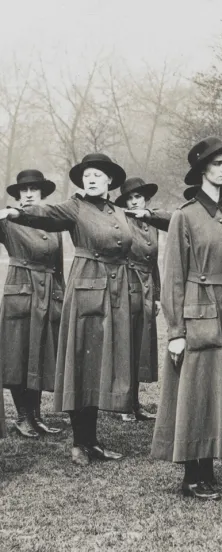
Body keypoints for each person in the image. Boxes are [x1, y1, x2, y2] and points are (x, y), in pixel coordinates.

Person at [0, 154, 133, 465]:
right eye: (87, 174)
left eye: (97, 175)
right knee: (83, 368)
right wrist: (14, 213)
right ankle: (80, 444)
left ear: (110, 180)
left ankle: (93, 442)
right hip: (88, 293)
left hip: (115, 295)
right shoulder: (74, 207)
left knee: (101, 367)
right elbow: (45, 214)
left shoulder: (118, 211)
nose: (91, 179)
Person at [151, 137, 222, 501]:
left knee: (220, 390)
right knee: (196, 393)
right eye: (217, 163)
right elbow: (174, 277)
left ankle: (208, 473)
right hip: (199, 313)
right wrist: (176, 332)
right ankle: (192, 476)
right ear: (201, 171)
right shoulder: (185, 216)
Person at [0, 170, 64, 438]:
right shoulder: (8, 221)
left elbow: (58, 265)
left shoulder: (51, 223)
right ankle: (22, 417)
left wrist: (59, 294)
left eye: (33, 190)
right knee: (19, 355)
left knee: (39, 353)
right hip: (20, 290)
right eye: (23, 191)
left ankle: (36, 416)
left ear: (42, 194)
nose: (28, 194)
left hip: (47, 291)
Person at [114, 177, 166, 423]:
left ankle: (135, 404)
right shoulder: (121, 222)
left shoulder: (152, 225)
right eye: (130, 198)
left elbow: (153, 263)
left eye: (138, 197)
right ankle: (123, 406)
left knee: (140, 346)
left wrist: (156, 296)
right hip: (127, 284)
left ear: (146, 199)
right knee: (126, 346)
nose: (134, 201)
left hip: (146, 288)